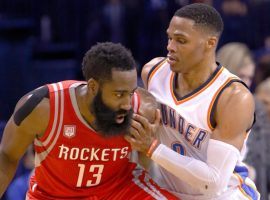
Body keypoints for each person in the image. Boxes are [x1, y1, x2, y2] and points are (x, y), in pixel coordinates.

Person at [0, 42, 177, 200]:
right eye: (118, 94)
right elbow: (7, 156)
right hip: (54, 195)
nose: (127, 104)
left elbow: (146, 169)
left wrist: (147, 148)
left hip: (118, 192)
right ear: (93, 86)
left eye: (131, 93)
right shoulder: (44, 107)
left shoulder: (142, 109)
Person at [125, 3, 260, 200]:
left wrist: (152, 147)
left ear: (210, 43)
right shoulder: (152, 72)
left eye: (181, 40)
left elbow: (213, 183)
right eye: (170, 38)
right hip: (170, 191)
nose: (170, 47)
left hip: (224, 195)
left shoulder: (232, 97)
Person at [217, 42, 270, 199]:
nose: (246, 82)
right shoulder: (207, 101)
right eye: (242, 75)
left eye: (250, 78)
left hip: (243, 186)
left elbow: (260, 157)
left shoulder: (255, 108)